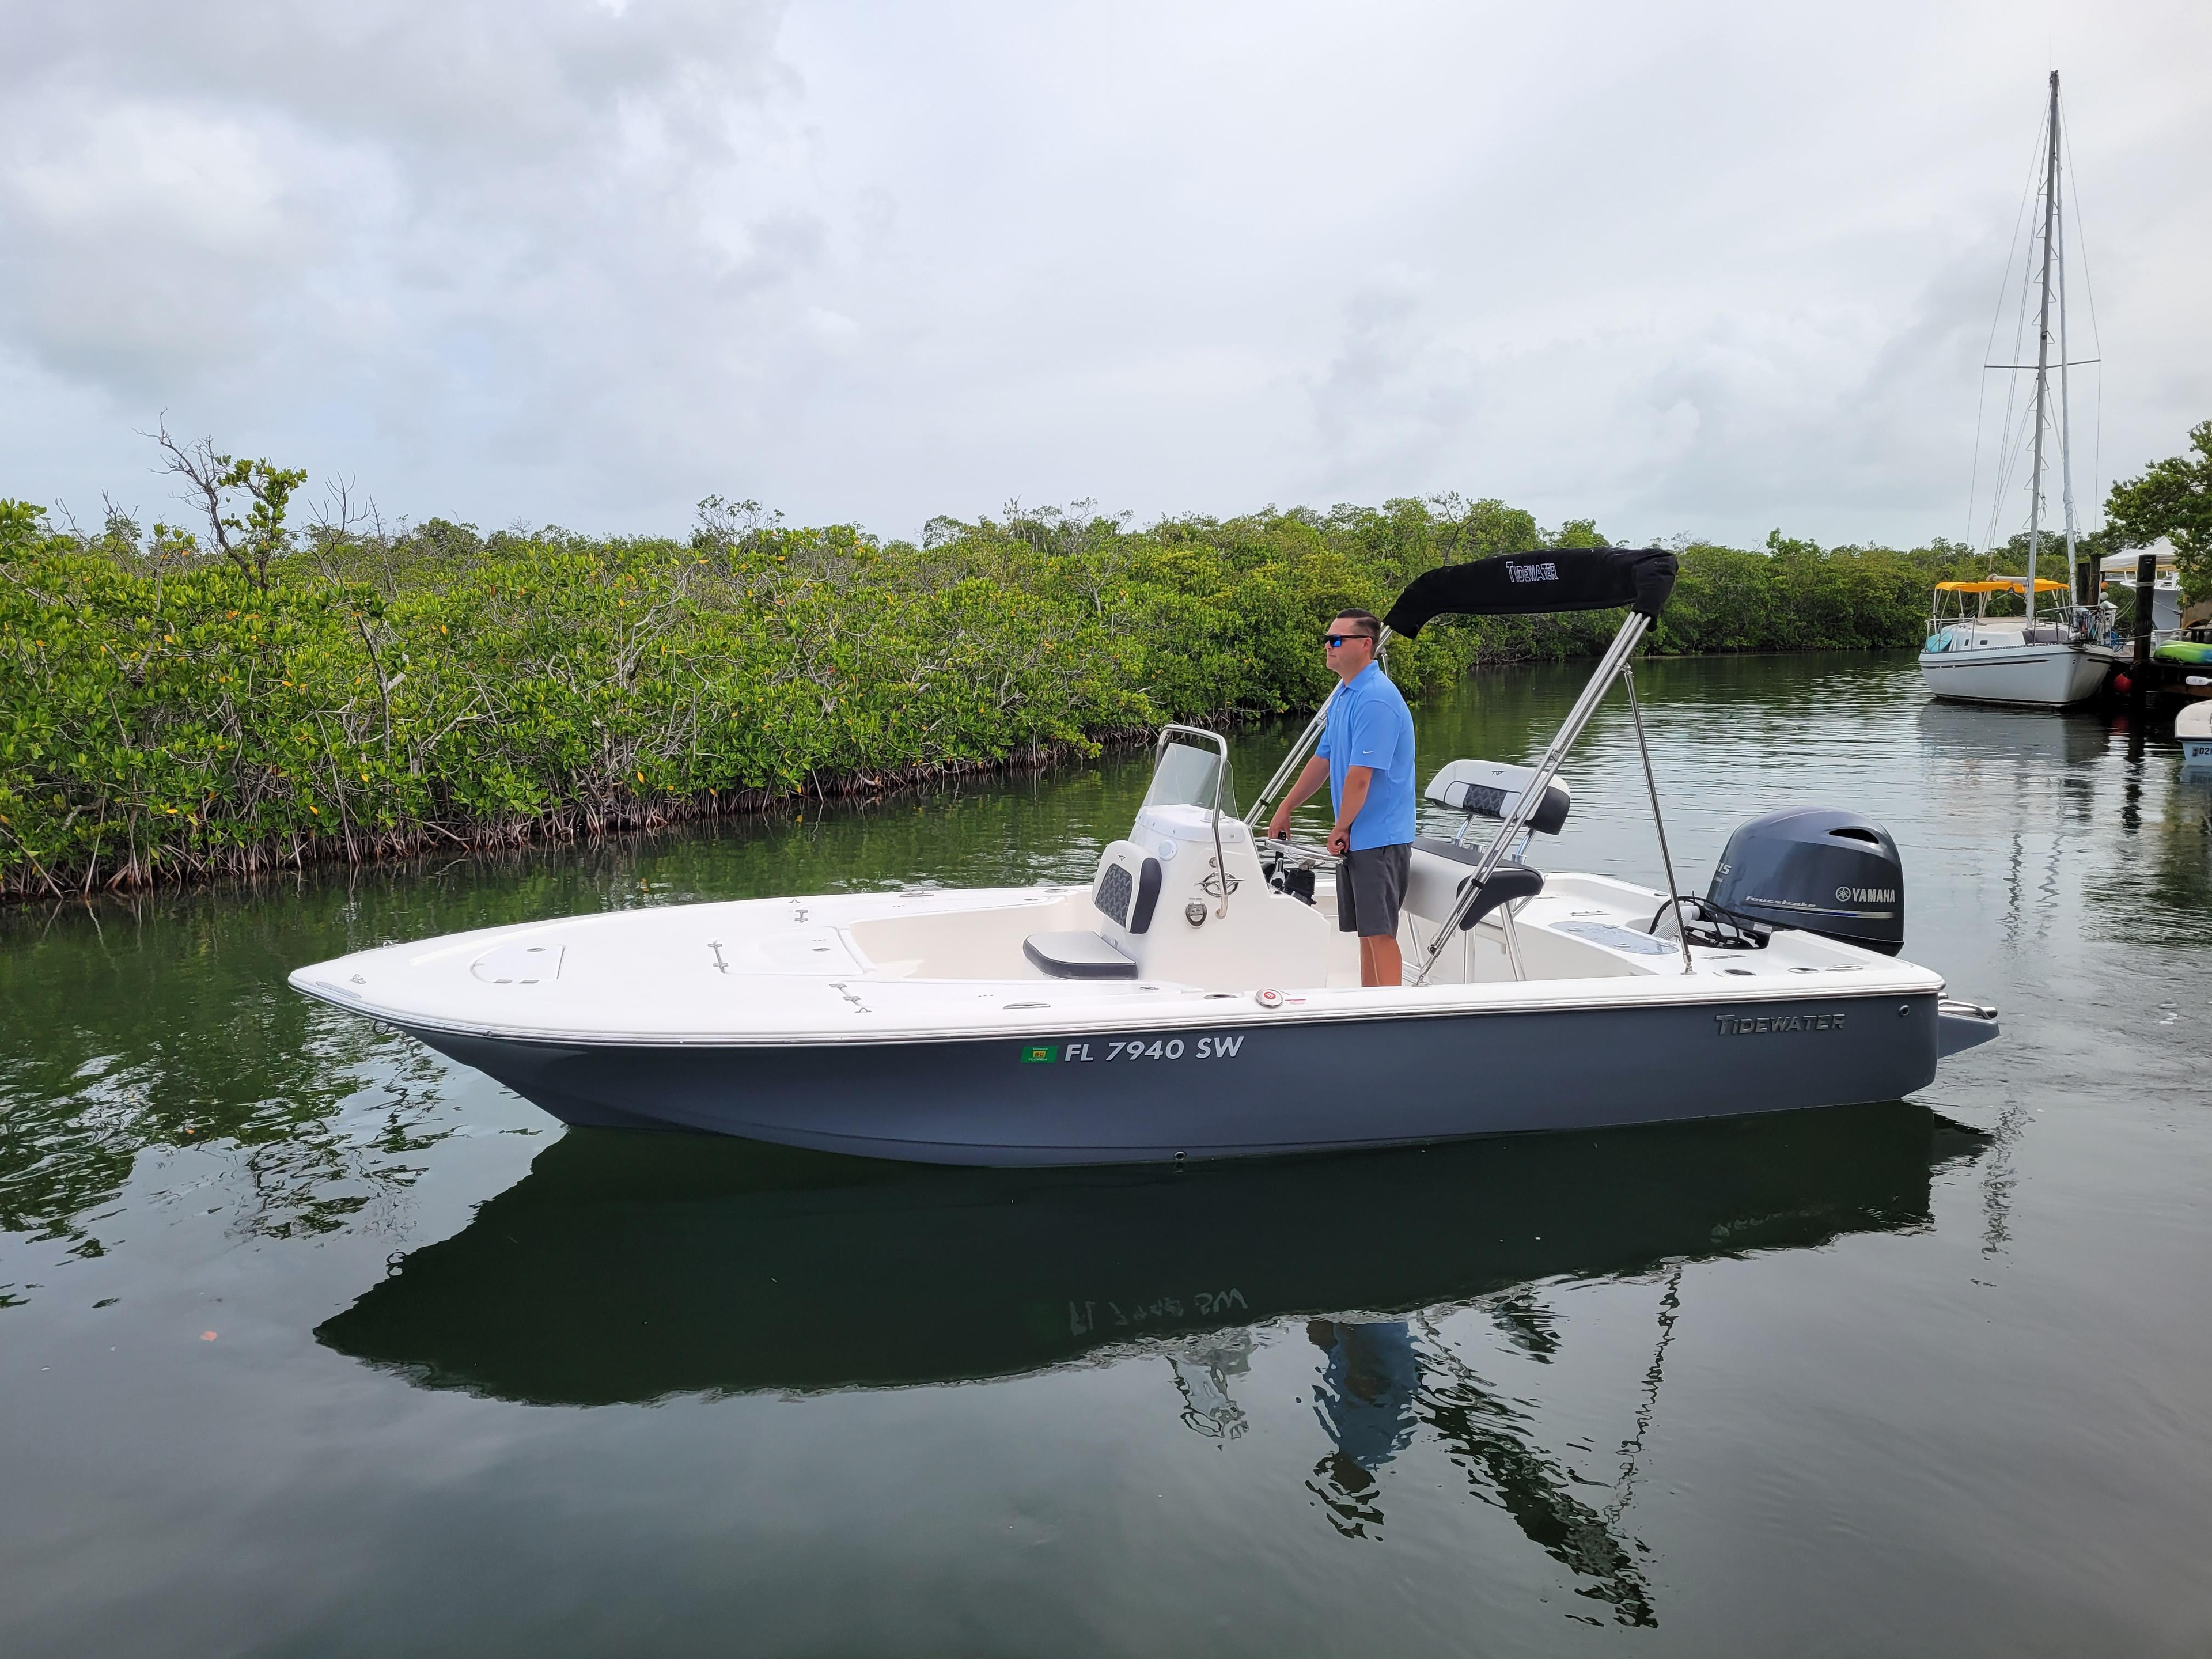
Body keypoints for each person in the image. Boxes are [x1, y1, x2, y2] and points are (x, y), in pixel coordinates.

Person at [1266, 611, 1415, 987]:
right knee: (1366, 931)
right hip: (1357, 833)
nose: (1327, 646)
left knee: (1381, 932)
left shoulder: (1376, 699)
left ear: (1365, 645)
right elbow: (1323, 761)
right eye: (1327, 639)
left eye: (1336, 640)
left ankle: (1393, 1014)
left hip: (1380, 836)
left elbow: (1360, 778)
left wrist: (1342, 826)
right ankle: (1371, 1008)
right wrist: (1286, 807)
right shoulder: (1345, 696)